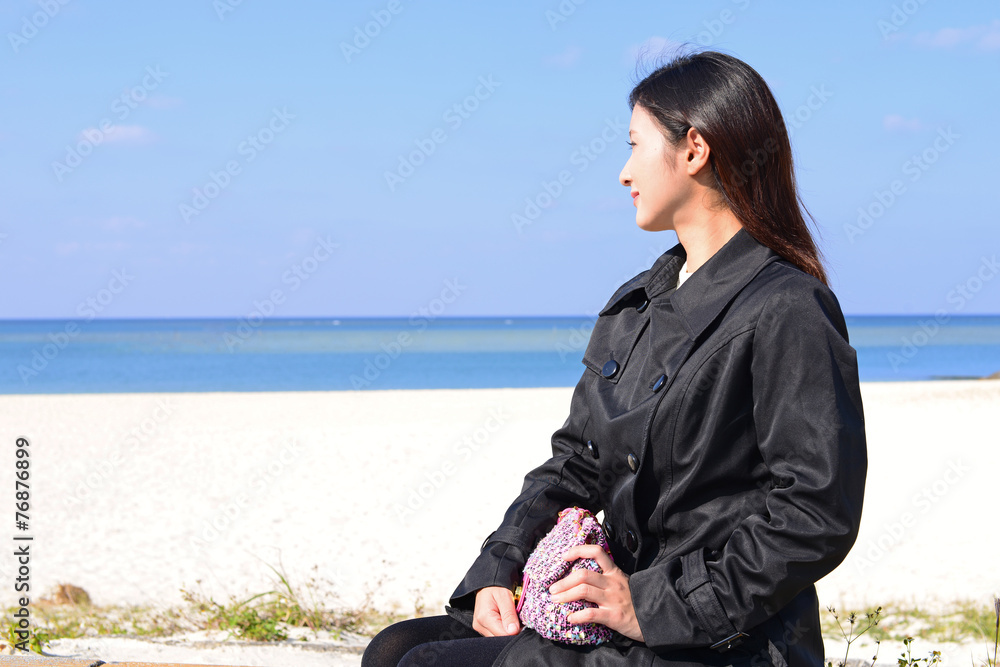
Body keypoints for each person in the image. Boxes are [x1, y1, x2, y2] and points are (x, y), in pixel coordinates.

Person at [361, 47, 867, 667]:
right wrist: (501, 567)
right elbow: (576, 460)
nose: (624, 173)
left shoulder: (788, 307)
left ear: (694, 149)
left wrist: (649, 606)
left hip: (716, 640)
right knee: (394, 648)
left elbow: (817, 513)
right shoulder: (638, 303)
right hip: (608, 607)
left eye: (634, 145)